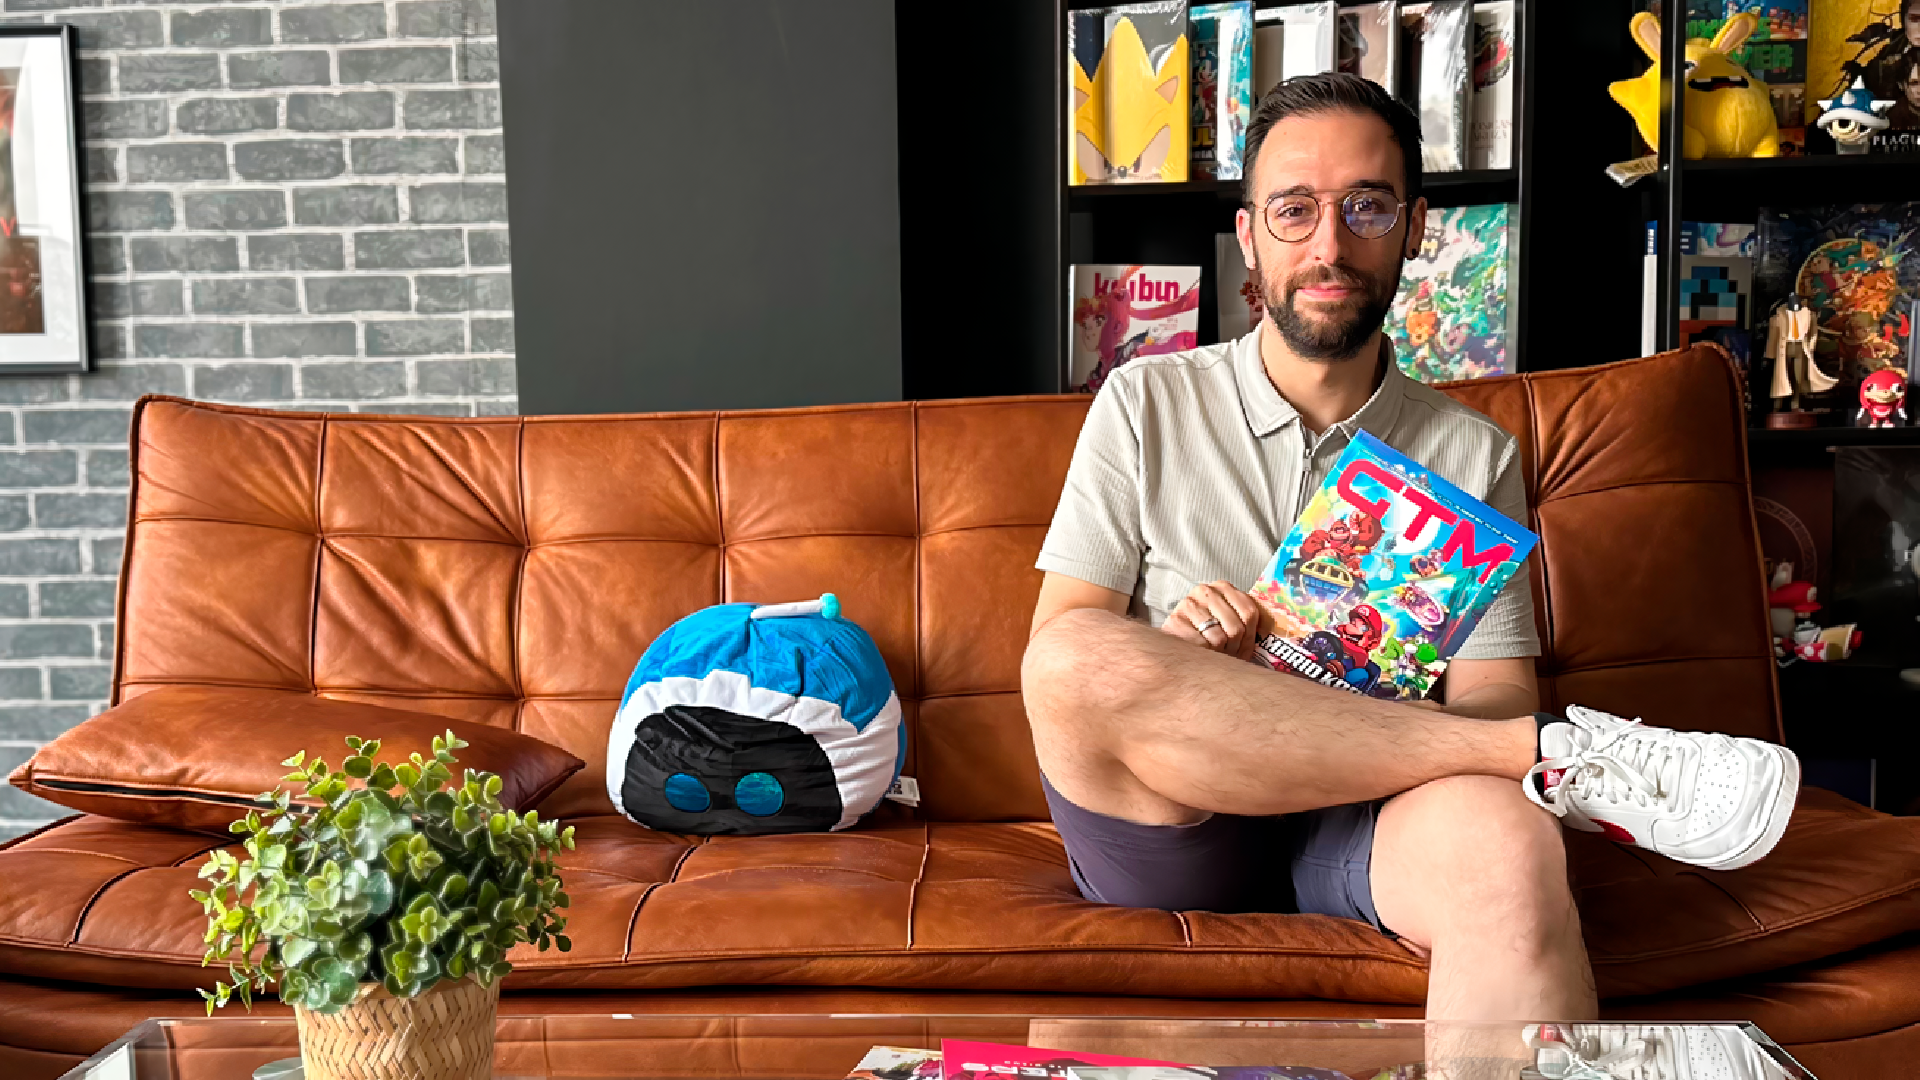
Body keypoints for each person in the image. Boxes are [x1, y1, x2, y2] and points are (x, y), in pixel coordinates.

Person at [1021, 73, 1800, 1074]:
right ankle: (1557, 754)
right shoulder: (1144, 400)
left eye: (1367, 207)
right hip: (1177, 821)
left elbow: (1489, 693)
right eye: (1294, 210)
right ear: (1249, 235)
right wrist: (1180, 662)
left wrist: (1372, 698)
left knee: (1509, 843)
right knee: (1072, 659)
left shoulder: (1472, 453)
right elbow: (1065, 657)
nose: (1329, 245)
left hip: (1370, 815)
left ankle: (1548, 766)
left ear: (1415, 228)